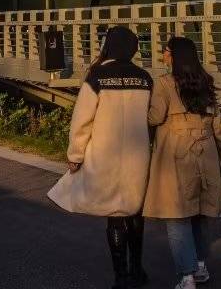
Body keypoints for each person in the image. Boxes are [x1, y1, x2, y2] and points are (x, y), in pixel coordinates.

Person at [49, 25, 154, 288]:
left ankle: (121, 277)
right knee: (135, 211)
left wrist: (75, 154)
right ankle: (137, 269)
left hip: (104, 154)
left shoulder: (97, 76)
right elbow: (152, 118)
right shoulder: (144, 78)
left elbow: (82, 120)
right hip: (137, 154)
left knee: (115, 215)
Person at [143, 36, 221, 289]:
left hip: (177, 151)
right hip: (207, 148)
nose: (163, 55)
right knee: (200, 212)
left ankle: (186, 274)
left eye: (166, 51)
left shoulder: (165, 83)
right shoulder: (206, 82)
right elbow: (217, 125)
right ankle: (200, 266)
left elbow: (155, 117)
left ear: (175, 56)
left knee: (177, 214)